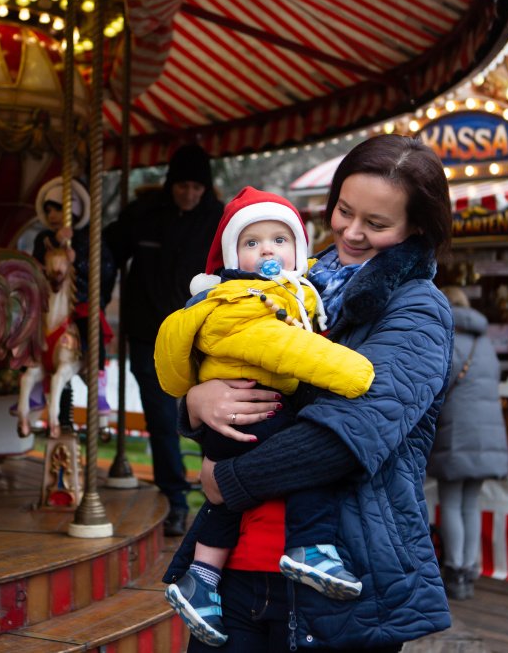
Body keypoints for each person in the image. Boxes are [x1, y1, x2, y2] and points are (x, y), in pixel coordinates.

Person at [164, 134, 455, 651]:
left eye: (377, 224)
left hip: (341, 572)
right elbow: (218, 357)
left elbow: (346, 438)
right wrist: (195, 402)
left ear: (416, 227)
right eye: (344, 211)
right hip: (237, 565)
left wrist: (226, 480)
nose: (352, 232)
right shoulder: (293, 282)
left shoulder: (419, 312)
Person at [156, 187, 376, 646]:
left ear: (299, 248)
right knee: (306, 463)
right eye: (252, 242)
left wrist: (192, 399)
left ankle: (201, 576)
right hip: (256, 411)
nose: (267, 251)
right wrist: (352, 371)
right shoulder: (246, 301)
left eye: (279, 239)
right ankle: (310, 545)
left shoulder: (294, 295)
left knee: (226, 497)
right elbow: (287, 348)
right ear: (231, 255)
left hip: (245, 418)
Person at [103, 144, 224, 536]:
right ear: (171, 184)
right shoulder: (143, 215)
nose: (189, 194)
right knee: (160, 418)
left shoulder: (218, 221)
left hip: (202, 336)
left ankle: (220, 501)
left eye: (197, 188)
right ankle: (174, 501)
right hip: (148, 333)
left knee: (212, 416)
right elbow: (106, 249)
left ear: (206, 188)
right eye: (182, 186)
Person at [427, 286, 508, 601]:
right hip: (488, 437)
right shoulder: (485, 344)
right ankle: (469, 567)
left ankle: (455, 570)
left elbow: (436, 387)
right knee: (470, 503)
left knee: (450, 502)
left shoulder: (449, 343)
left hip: (457, 434)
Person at [19, 177, 116, 421]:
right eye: (49, 210)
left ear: (75, 210)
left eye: (59, 209)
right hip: (50, 302)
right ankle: (32, 383)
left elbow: (105, 269)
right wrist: (56, 244)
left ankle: (98, 385)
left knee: (92, 329)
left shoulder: (89, 238)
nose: (53, 215)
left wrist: (77, 260)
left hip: (80, 299)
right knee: (27, 328)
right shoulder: (44, 238)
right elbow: (37, 264)